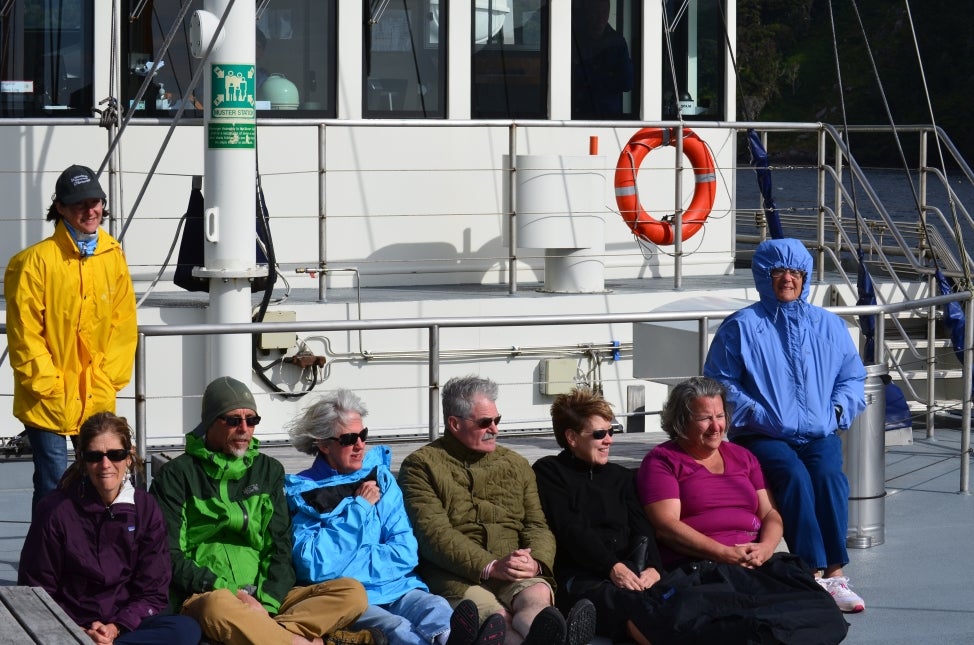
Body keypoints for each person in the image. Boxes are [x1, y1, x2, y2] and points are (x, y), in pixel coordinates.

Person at [149, 376, 381, 645]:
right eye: (234, 420)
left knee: (352, 592)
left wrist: (266, 605)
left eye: (252, 420)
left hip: (266, 596)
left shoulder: (268, 471)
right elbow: (171, 556)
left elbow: (280, 546)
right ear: (210, 422)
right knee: (218, 608)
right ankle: (308, 641)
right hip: (207, 595)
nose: (245, 429)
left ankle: (267, 634)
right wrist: (234, 593)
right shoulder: (177, 476)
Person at [703, 237, 868, 613]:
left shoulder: (829, 326)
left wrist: (837, 412)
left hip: (818, 431)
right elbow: (720, 381)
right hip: (762, 434)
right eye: (778, 271)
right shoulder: (742, 326)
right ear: (764, 275)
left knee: (829, 477)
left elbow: (851, 378)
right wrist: (759, 415)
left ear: (806, 276)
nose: (788, 279)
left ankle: (836, 572)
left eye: (796, 272)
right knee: (792, 476)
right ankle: (810, 573)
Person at [635, 377, 849, 644]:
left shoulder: (743, 457)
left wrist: (767, 548)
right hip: (704, 568)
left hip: (754, 564)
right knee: (735, 620)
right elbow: (667, 527)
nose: (716, 427)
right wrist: (725, 553)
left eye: (720, 416)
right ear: (681, 421)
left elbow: (770, 514)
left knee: (826, 613)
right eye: (705, 419)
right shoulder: (663, 461)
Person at [285, 388, 504, 645]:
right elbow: (314, 565)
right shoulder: (301, 493)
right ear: (323, 445)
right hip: (351, 599)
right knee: (397, 628)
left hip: (400, 588)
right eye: (348, 439)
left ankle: (453, 639)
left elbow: (405, 551)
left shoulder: (380, 478)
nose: (359, 445)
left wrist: (348, 562)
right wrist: (359, 509)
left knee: (437, 609)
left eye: (363, 435)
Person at [397, 375, 596, 645]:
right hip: (455, 575)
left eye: (496, 420)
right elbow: (433, 533)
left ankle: (553, 635)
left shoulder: (515, 464)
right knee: (497, 619)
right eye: (484, 423)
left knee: (535, 599)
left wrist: (535, 561)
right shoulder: (421, 466)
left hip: (514, 565)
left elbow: (537, 525)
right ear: (454, 424)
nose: (495, 429)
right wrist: (489, 566)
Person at [5, 164, 138, 513]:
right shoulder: (32, 263)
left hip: (96, 392)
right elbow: (25, 335)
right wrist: (48, 384)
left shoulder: (113, 255)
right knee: (52, 485)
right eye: (80, 203)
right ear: (60, 208)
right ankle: (45, 561)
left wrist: (110, 376)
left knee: (101, 480)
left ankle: (90, 557)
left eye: (95, 202)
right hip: (46, 398)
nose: (90, 210)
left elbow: (123, 324)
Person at [18, 412, 201, 645]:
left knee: (186, 629)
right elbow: (36, 590)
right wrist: (80, 631)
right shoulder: (55, 511)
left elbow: (152, 590)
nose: (105, 465)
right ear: (83, 460)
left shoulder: (145, 508)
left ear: (128, 457)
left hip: (123, 625)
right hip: (68, 623)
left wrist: (115, 628)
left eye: (115, 455)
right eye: (95, 456)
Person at [533, 388, 661, 645]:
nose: (609, 440)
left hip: (629, 573)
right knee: (630, 606)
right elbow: (570, 529)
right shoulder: (550, 472)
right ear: (571, 437)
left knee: (669, 597)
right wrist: (612, 567)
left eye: (611, 431)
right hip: (581, 578)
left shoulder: (620, 477)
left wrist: (654, 568)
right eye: (600, 434)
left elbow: (643, 528)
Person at [571, 0, 634, 119]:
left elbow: (627, 82)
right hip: (576, 116)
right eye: (594, 13)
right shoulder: (572, 40)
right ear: (585, 13)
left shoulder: (617, 42)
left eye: (604, 13)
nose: (600, 19)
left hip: (610, 118)